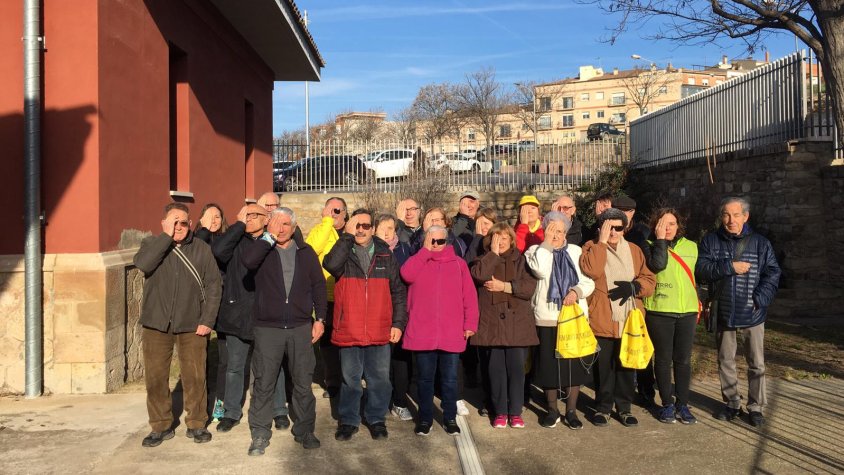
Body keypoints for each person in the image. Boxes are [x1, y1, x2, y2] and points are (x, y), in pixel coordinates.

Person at [134, 202, 222, 447]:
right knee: (155, 378)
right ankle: (160, 426)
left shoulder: (201, 249)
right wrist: (166, 237)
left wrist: (207, 320)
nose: (178, 227)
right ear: (163, 224)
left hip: (192, 323)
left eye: (183, 222)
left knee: (195, 376)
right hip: (156, 323)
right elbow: (144, 264)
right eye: (173, 221)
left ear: (191, 224)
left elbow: (214, 286)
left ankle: (196, 423)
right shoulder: (151, 244)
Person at [241, 207, 327, 454]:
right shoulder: (262, 251)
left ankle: (305, 430)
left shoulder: (306, 253)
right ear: (269, 225)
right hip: (268, 329)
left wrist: (319, 319)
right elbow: (247, 261)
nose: (280, 229)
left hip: (301, 327)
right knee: (264, 382)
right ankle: (259, 432)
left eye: (286, 224)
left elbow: (319, 286)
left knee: (302, 382)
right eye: (276, 223)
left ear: (294, 227)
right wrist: (267, 237)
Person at [323, 209, 408, 442]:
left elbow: (398, 293)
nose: (361, 229)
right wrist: (346, 237)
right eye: (356, 225)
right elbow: (330, 265)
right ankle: (348, 421)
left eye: (365, 225)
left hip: (379, 329)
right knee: (350, 380)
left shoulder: (385, 255)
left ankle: (376, 419)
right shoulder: (344, 251)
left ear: (373, 228)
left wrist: (398, 324)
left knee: (379, 379)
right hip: (349, 327)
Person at [696, 197, 780, 427]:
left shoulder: (761, 243)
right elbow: (701, 270)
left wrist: (760, 299)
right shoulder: (710, 241)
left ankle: (756, 407)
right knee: (725, 360)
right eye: (726, 215)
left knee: (757, 363)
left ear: (746, 216)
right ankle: (732, 403)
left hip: (752, 312)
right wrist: (729, 267)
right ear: (721, 216)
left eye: (736, 215)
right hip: (723, 310)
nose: (730, 220)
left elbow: (772, 273)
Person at [211, 204, 290, 433]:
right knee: (235, 367)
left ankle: (279, 410)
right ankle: (231, 412)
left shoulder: (275, 242)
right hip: (237, 314)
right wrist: (238, 224)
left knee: (273, 366)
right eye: (246, 214)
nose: (250, 218)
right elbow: (218, 251)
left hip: (268, 315)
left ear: (267, 219)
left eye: (255, 214)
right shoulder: (235, 241)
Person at [579, 208, 655, 427]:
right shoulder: (591, 247)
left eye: (618, 228)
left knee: (626, 366)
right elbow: (592, 271)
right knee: (604, 368)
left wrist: (634, 287)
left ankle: (624, 408)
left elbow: (649, 280)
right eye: (608, 227)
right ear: (601, 228)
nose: (613, 232)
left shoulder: (634, 250)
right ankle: (602, 408)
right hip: (602, 316)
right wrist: (601, 243)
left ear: (625, 229)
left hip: (629, 317)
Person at [401, 225, 479, 436]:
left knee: (450, 379)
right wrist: (424, 252)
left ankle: (450, 417)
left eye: (439, 241)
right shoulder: (418, 260)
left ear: (448, 241)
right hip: (422, 331)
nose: (435, 245)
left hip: (451, 331)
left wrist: (470, 323)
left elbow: (469, 297)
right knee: (424, 379)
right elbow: (406, 275)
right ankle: (425, 418)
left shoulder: (458, 264)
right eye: (431, 241)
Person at [525, 212, 595, 430]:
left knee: (572, 366)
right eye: (552, 229)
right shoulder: (535, 251)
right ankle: (552, 409)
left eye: (561, 231)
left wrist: (576, 291)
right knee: (549, 367)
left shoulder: (575, 251)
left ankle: (571, 411)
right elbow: (540, 271)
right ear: (545, 229)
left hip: (573, 317)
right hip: (547, 318)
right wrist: (546, 244)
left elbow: (589, 281)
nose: (557, 234)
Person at [470, 222, 539, 428]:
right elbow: (479, 275)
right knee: (495, 368)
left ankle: (515, 411)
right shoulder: (482, 259)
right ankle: (499, 411)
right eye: (495, 238)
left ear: (511, 240)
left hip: (517, 324)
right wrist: (493, 254)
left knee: (517, 369)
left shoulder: (522, 261)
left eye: (504, 238)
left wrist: (505, 287)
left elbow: (528, 288)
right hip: (492, 325)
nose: (500, 242)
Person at [642, 208, 700, 424]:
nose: (667, 228)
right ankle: (667, 404)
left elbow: (700, 273)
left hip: (687, 311)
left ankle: (682, 404)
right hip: (660, 310)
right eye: (662, 223)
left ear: (679, 226)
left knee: (683, 360)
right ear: (655, 225)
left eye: (672, 224)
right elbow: (658, 265)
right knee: (664, 360)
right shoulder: (647, 246)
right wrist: (659, 241)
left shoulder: (692, 247)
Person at [611, 195, 656, 406]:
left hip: (635, 299)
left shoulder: (641, 234)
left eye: (626, 211)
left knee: (639, 345)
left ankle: (646, 390)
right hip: (610, 301)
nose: (622, 215)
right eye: (618, 210)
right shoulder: (603, 230)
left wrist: (636, 287)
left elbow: (650, 267)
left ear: (633, 214)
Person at [306, 197, 349, 399]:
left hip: (349, 295)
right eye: (329, 210)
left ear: (346, 213)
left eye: (337, 210)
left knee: (349, 341)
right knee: (329, 342)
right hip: (328, 294)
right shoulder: (319, 230)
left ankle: (350, 379)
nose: (333, 214)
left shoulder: (352, 230)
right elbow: (312, 249)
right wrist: (326, 223)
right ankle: (332, 381)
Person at [374, 214, 414, 422]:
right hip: (377, 314)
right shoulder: (370, 250)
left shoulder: (404, 249)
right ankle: (381, 402)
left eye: (391, 228)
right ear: (374, 230)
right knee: (380, 364)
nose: (388, 232)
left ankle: (399, 401)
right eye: (383, 228)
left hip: (399, 312)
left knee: (400, 361)